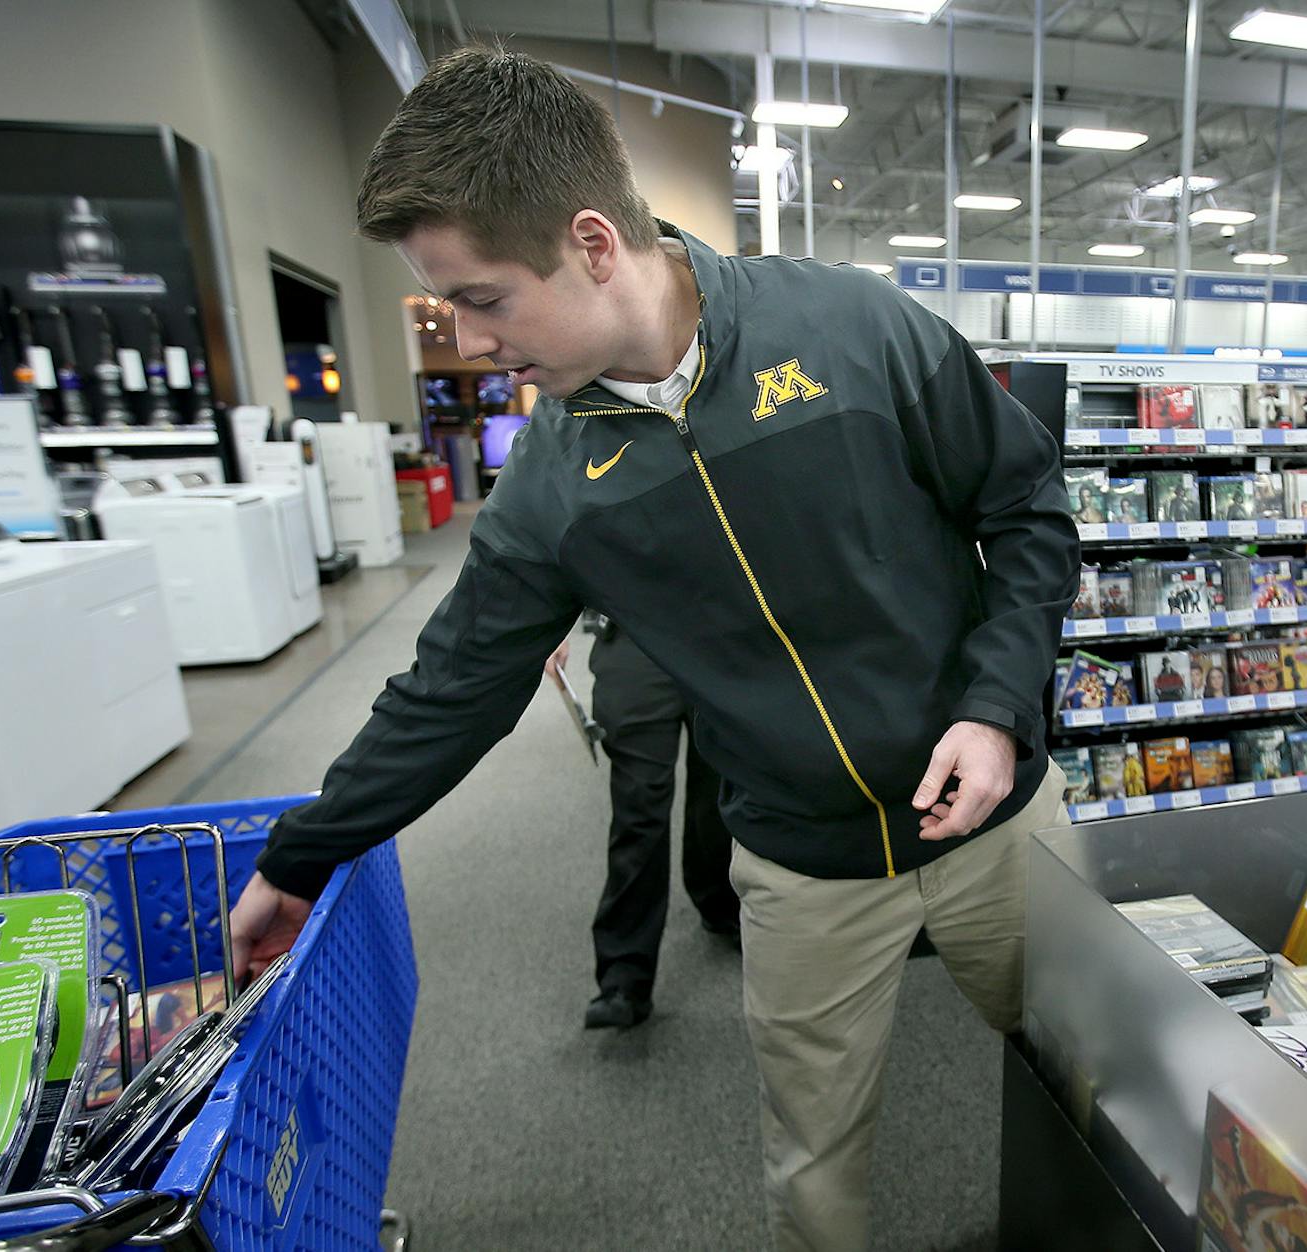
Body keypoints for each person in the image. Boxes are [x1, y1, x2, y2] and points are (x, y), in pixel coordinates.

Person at [226, 47, 1078, 1252]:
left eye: (481, 298)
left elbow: (1030, 507)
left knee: (1096, 1095)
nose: (468, 341)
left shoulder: (852, 330)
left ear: (589, 242)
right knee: (814, 1180)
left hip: (1001, 828)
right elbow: (453, 688)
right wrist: (302, 856)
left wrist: (997, 709)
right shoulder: (554, 484)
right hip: (799, 868)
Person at [549, 612, 739, 1030]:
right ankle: (625, 975)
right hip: (634, 631)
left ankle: (720, 901)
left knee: (720, 797)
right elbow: (562, 544)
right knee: (638, 810)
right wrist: (547, 623)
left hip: (722, 636)